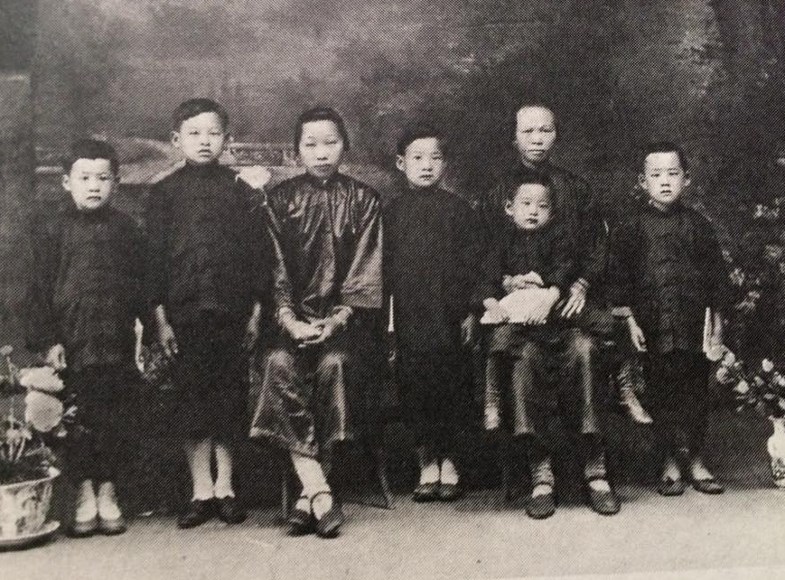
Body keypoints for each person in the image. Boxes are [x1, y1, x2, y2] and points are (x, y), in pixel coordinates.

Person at [249, 107, 383, 538]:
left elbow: (365, 274)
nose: (322, 152)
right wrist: (290, 320)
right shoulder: (280, 201)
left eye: (331, 142)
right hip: (288, 324)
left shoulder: (365, 200)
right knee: (278, 365)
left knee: (334, 366)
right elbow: (274, 273)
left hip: (348, 326)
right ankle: (319, 491)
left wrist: (337, 319)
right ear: (296, 151)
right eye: (311, 144)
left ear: (345, 146)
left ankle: (310, 493)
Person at [145, 98, 268, 529]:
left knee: (230, 397)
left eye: (213, 133)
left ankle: (226, 487)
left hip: (232, 314)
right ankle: (200, 489)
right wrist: (160, 320)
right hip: (184, 316)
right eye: (194, 133)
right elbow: (154, 264)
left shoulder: (240, 191)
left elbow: (257, 258)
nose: (204, 141)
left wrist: (255, 314)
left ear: (227, 140)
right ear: (176, 140)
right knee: (192, 400)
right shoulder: (162, 195)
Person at [477, 176, 619, 519]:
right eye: (525, 205)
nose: (533, 212)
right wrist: (495, 297)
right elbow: (486, 276)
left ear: (553, 212)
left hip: (560, 321)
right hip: (523, 331)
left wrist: (555, 291)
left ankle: (595, 469)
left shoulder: (561, 238)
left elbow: (567, 267)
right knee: (517, 357)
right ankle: (540, 473)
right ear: (509, 208)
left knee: (589, 347)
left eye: (542, 207)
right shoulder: (501, 243)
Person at [26, 139, 144, 537]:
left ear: (116, 181)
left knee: (114, 416)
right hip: (72, 343)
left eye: (103, 178)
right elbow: (39, 289)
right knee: (74, 420)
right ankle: (82, 493)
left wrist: (148, 327)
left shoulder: (127, 229)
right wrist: (48, 341)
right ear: (66, 182)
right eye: (84, 178)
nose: (94, 186)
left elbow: (142, 285)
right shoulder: (52, 230)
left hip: (116, 339)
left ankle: (108, 490)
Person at [608, 142, 729, 496]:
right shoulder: (630, 228)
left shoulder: (699, 226)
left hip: (694, 325)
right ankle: (669, 460)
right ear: (642, 182)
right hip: (652, 325)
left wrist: (717, 326)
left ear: (686, 179)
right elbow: (618, 280)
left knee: (695, 391)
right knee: (661, 392)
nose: (664, 182)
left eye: (672, 174)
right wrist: (628, 320)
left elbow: (717, 279)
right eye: (655, 175)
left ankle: (695, 458)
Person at [384, 125, 481, 502]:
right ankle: (426, 459)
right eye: (417, 158)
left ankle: (450, 459)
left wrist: (472, 311)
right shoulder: (390, 214)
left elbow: (475, 266)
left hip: (451, 317)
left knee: (453, 384)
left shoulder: (459, 211)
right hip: (410, 317)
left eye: (435, 158)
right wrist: (389, 324)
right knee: (416, 386)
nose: (426, 166)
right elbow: (384, 273)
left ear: (445, 164)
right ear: (400, 163)